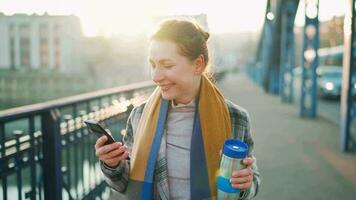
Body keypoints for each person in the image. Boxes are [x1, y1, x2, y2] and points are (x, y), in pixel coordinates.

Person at [95, 19, 260, 200]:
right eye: (153, 65)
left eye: (167, 65)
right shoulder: (139, 116)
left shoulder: (235, 118)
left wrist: (246, 184)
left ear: (198, 64)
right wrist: (113, 165)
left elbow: (251, 184)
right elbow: (124, 185)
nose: (155, 76)